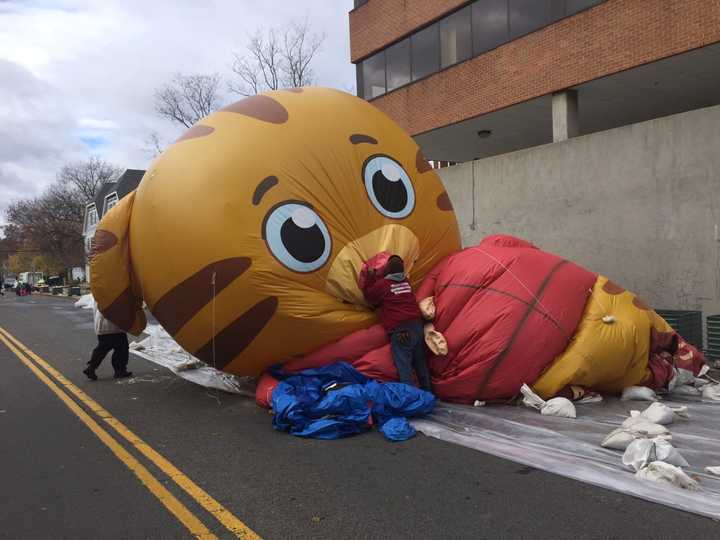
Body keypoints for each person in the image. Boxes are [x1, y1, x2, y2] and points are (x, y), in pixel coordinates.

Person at [362, 255, 432, 392]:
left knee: (404, 366)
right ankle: (429, 394)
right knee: (420, 363)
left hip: (401, 330)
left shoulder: (383, 285)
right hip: (417, 326)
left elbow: (369, 296)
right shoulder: (406, 282)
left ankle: (410, 399)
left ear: (387, 270)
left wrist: (370, 278)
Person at [83, 302, 132, 381]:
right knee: (122, 349)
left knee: (102, 348)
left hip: (101, 325)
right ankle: (120, 371)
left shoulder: (99, 291)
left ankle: (91, 367)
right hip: (114, 325)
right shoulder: (113, 292)